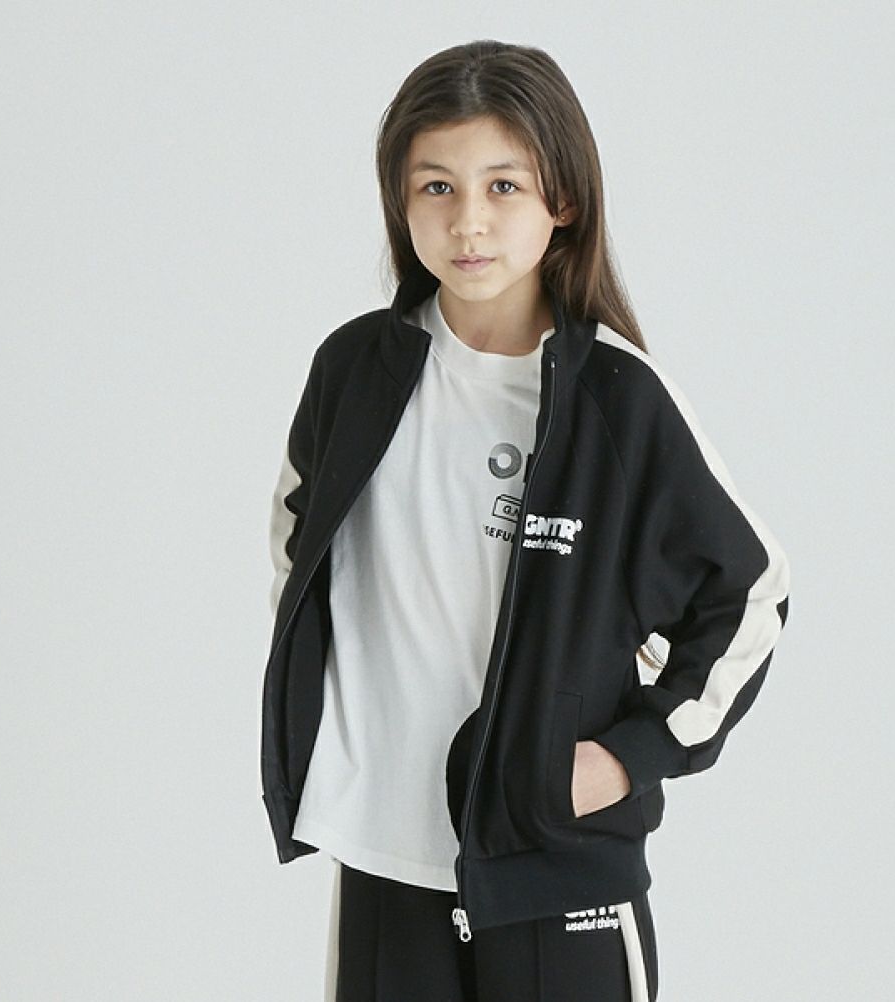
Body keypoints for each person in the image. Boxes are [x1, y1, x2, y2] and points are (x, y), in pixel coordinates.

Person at [260, 39, 791, 1002]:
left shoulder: (617, 401)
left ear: (564, 200)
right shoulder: (353, 372)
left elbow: (749, 597)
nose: (468, 221)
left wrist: (623, 761)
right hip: (382, 855)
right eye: (436, 186)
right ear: (400, 202)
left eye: (503, 186)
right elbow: (300, 551)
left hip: (554, 864)